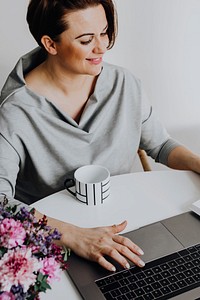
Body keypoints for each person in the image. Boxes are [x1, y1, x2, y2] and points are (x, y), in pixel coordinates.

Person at [0, 0, 200, 273]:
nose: (102, 47)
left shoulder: (124, 83)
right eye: (86, 40)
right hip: (53, 241)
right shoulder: (14, 111)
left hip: (126, 224)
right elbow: (1, 204)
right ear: (50, 44)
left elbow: (161, 144)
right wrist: (72, 236)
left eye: (104, 32)